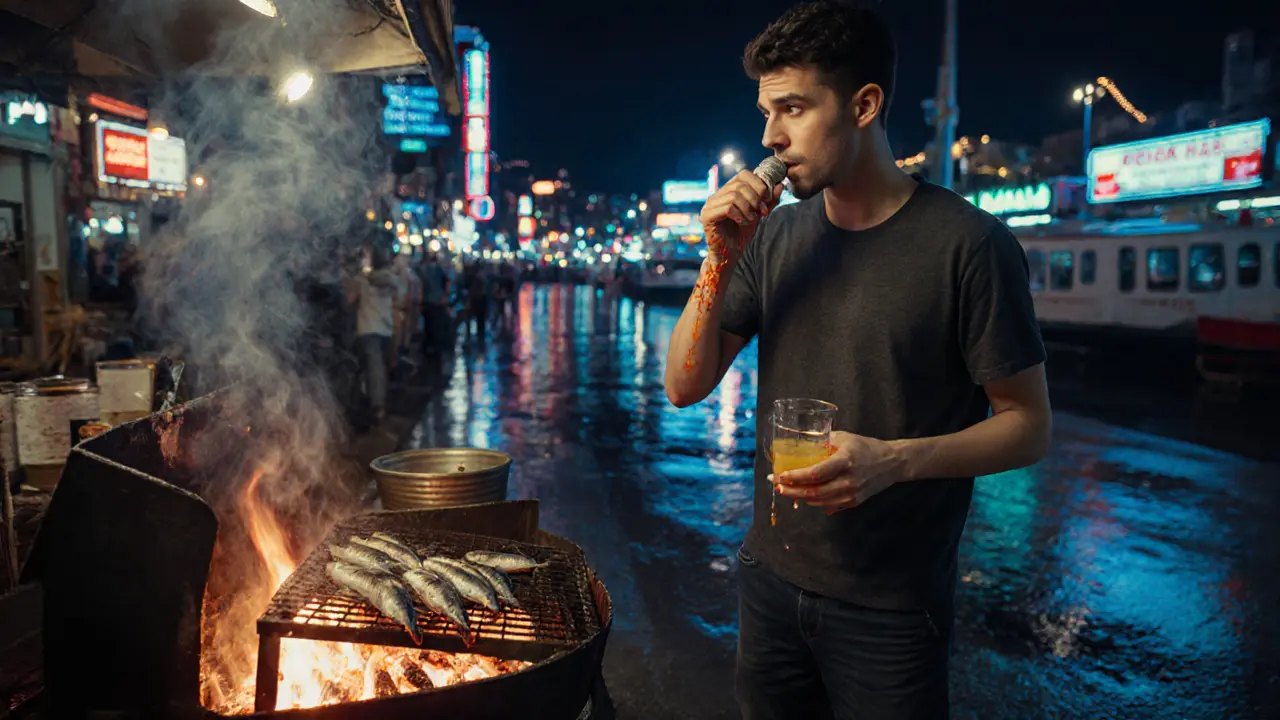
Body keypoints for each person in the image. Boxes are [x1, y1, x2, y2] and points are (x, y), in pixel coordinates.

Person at [662, 3, 1052, 719]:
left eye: (793, 108)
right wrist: (717, 260)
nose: (769, 137)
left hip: (892, 610)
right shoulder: (772, 240)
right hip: (769, 581)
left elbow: (1029, 425)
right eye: (765, 111)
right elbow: (684, 387)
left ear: (865, 104)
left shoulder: (969, 245)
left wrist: (893, 461)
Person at [347, 244, 403, 423]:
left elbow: (349, 300)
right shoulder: (391, 279)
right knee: (379, 368)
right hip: (385, 329)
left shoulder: (361, 279)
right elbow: (399, 297)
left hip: (367, 328)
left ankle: (374, 404)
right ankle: (377, 404)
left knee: (372, 368)